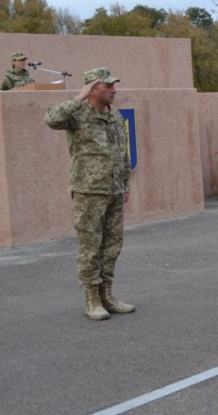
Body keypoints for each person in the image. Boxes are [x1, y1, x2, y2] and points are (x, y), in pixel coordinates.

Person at [44, 68, 134, 321]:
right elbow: (51, 119)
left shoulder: (114, 115)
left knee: (113, 245)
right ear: (93, 89)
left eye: (114, 86)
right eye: (108, 86)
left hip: (114, 190)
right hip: (89, 191)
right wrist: (79, 97)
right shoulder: (77, 114)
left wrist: (125, 185)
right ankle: (91, 299)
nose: (114, 90)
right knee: (90, 247)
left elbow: (122, 153)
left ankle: (107, 295)